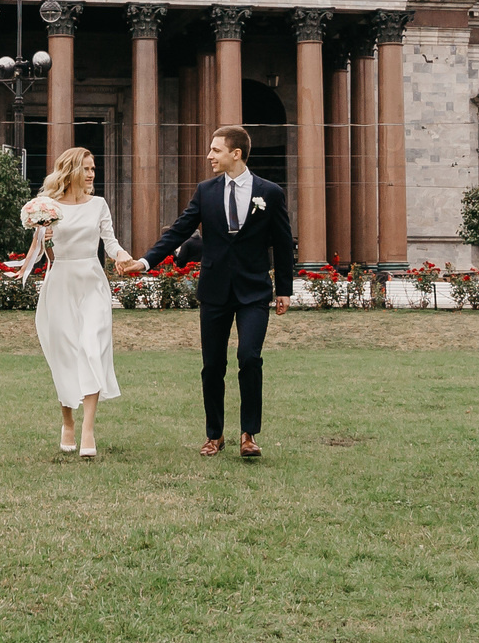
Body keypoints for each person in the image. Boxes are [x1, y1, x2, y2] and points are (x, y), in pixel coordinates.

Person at [145, 124, 296, 459]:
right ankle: (214, 435)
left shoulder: (269, 192)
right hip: (214, 291)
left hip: (254, 291)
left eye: (216, 150)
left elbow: (284, 243)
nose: (209, 156)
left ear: (235, 153)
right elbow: (179, 231)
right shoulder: (205, 191)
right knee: (212, 365)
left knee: (249, 358)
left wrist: (284, 288)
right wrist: (146, 261)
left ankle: (248, 435)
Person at [16, 145, 140, 458]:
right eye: (86, 168)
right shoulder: (47, 206)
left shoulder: (98, 204)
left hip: (92, 282)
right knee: (65, 355)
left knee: (92, 348)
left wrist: (128, 259)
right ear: (70, 170)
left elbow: (111, 244)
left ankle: (88, 429)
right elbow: (49, 255)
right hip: (60, 282)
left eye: (93, 169)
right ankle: (67, 422)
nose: (90, 174)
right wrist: (44, 241)